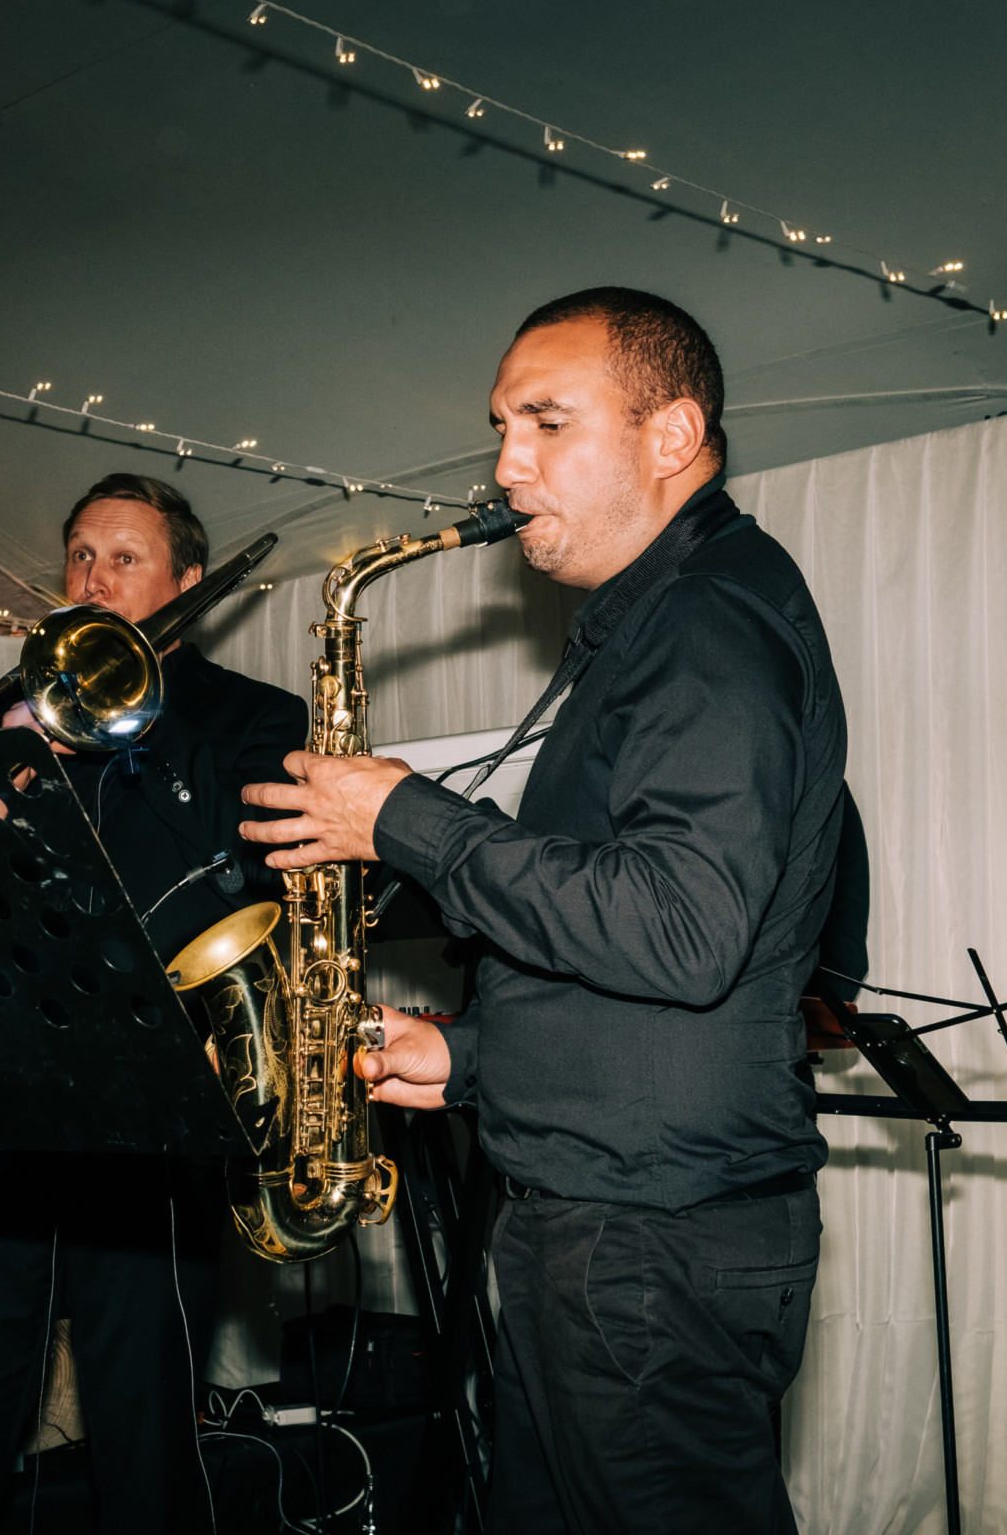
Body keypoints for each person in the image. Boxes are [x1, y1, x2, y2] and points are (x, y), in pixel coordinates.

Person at [240, 287, 847, 1533]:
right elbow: (635, 969)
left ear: (670, 434)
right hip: (620, 1227)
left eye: (546, 423)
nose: (507, 465)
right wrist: (469, 1056)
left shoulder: (708, 622)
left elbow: (681, 927)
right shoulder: (662, 624)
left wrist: (402, 816)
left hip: (649, 1246)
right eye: (503, 428)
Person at [0, 473, 305, 1533]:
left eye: (124, 559)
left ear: (187, 584)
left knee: (143, 1428)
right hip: (0, 1102)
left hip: (152, 1109)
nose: (92, 578)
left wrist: (126, 736)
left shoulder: (246, 717)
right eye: (81, 556)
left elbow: (245, 879)